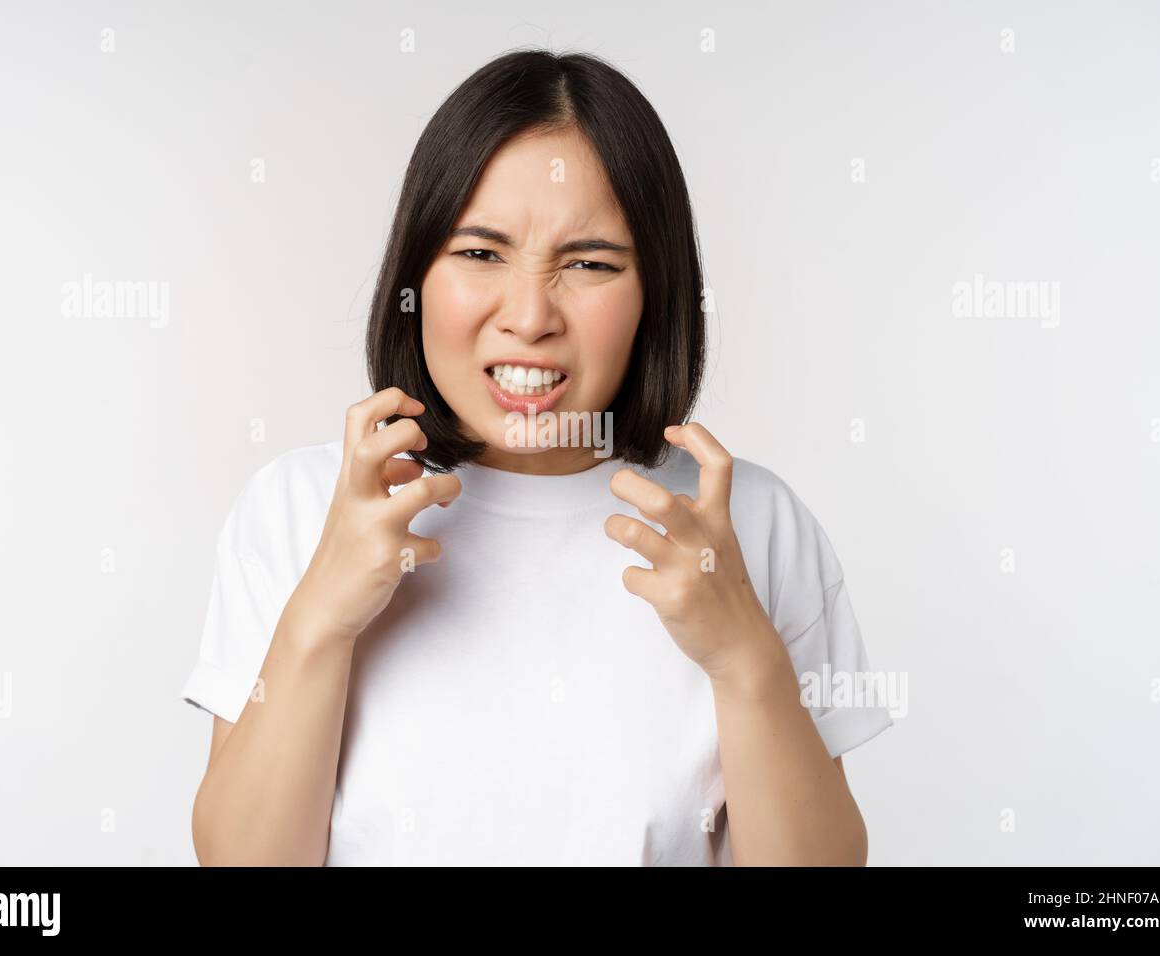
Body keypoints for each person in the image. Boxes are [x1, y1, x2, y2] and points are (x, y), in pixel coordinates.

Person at [181, 48, 893, 866]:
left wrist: (743, 658)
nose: (529, 316)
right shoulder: (300, 508)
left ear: (653, 293)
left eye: (588, 264)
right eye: (480, 253)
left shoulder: (745, 523)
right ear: (416, 274)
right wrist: (320, 618)